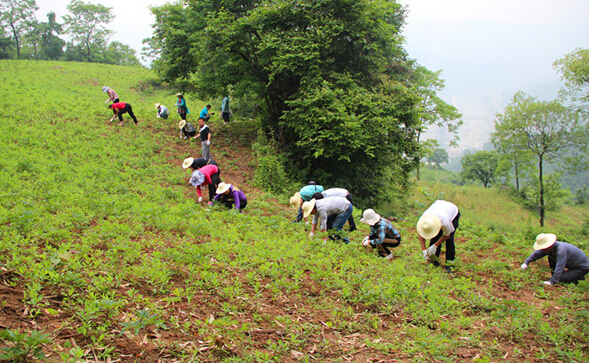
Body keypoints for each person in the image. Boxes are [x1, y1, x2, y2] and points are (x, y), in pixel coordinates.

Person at [521, 233, 589, 285]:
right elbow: (537, 254)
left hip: (582, 268)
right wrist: (526, 262)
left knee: (560, 279)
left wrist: (552, 282)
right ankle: (569, 277)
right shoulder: (550, 249)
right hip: (573, 266)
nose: (542, 249)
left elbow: (560, 266)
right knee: (551, 257)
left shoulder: (561, 251)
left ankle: (577, 278)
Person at [416, 199, 460, 271]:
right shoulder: (423, 220)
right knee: (435, 238)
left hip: (452, 212)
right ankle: (433, 261)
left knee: (449, 240)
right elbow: (421, 235)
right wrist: (424, 250)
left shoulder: (445, 222)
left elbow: (447, 235)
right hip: (439, 207)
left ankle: (450, 263)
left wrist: (435, 246)